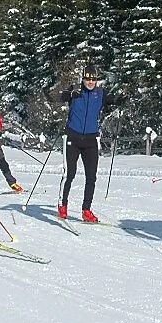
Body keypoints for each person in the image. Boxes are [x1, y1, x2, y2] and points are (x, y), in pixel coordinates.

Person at [58, 63, 121, 222]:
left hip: (91, 139)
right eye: (87, 79)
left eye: (93, 79)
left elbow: (113, 100)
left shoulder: (100, 93)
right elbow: (62, 96)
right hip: (72, 136)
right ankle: (62, 204)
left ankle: (86, 210)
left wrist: (121, 100)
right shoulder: (76, 89)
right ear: (83, 79)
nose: (90, 82)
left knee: (91, 177)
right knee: (69, 173)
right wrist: (70, 93)